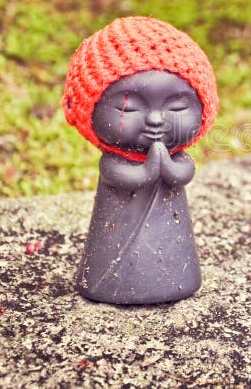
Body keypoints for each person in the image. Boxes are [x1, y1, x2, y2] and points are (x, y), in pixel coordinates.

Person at [62, 16, 218, 304]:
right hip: (117, 231)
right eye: (129, 108)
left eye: (177, 106)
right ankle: (112, 281)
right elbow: (118, 175)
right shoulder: (113, 163)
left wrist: (168, 167)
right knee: (114, 254)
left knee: (174, 247)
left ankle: (177, 276)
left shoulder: (173, 155)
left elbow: (185, 170)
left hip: (172, 232)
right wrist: (147, 171)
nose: (156, 119)